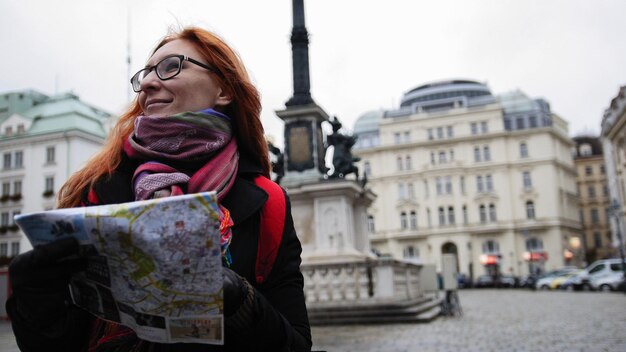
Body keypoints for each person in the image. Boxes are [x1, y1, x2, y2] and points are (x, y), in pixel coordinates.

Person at [6, 27, 311, 351]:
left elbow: (295, 344)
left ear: (223, 89)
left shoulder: (268, 204)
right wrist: (35, 303)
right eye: (146, 74)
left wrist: (239, 299)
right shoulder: (94, 192)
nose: (149, 83)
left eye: (171, 67)